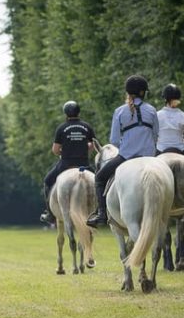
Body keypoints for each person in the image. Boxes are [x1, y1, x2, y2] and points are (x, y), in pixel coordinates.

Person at [86, 74, 159, 227]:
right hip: (150, 158)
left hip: (126, 157)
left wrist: (127, 143)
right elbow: (155, 135)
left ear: (128, 93)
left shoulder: (119, 111)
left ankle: (101, 214)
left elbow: (113, 140)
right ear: (143, 92)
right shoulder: (152, 110)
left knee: (99, 178)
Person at [40, 101, 96, 225]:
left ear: (66, 113)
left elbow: (55, 150)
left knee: (48, 181)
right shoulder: (87, 127)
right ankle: (101, 211)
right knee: (100, 182)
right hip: (84, 165)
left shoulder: (61, 128)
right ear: (79, 112)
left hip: (65, 164)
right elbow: (93, 145)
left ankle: (50, 213)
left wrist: (63, 150)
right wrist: (84, 147)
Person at [156, 83, 184, 155]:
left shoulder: (157, 115)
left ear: (165, 99)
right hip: (180, 150)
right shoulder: (182, 115)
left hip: (161, 150)